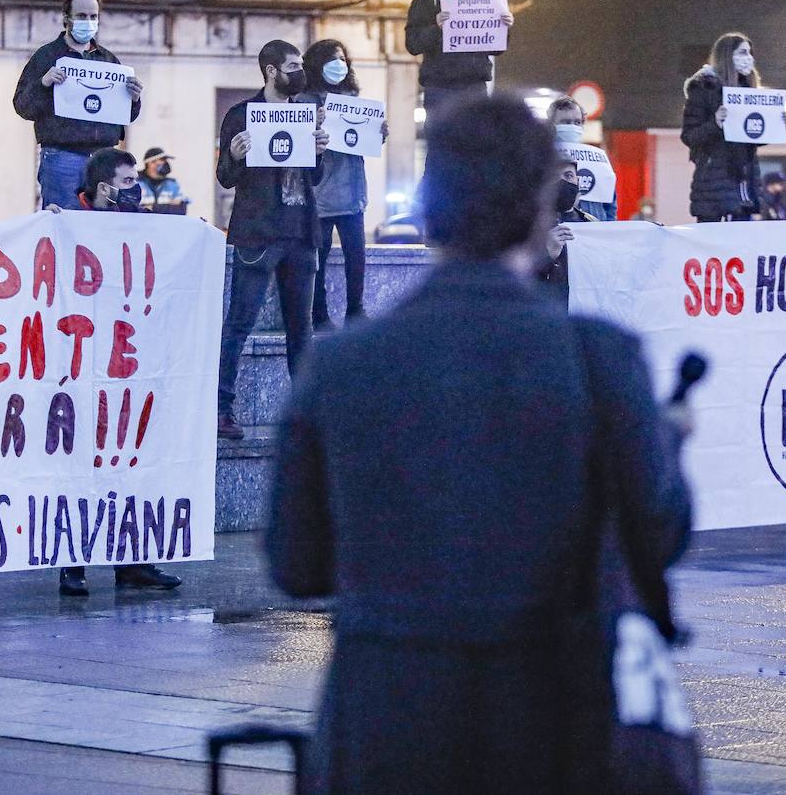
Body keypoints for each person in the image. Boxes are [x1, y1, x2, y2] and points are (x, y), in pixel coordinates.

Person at [266, 95, 694, 793]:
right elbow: (661, 537)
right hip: (552, 716)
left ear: (431, 210)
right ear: (540, 206)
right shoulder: (599, 359)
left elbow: (297, 565)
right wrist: (666, 446)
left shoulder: (342, 363)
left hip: (382, 722)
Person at [46, 147, 182, 596]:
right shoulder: (64, 221)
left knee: (133, 462)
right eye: (127, 182)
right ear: (103, 187)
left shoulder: (140, 223)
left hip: (129, 366)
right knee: (78, 464)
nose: (134, 189)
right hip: (81, 366)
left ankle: (134, 563)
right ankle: (72, 564)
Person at [216, 40, 329, 440]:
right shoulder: (242, 115)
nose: (300, 71)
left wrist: (318, 150)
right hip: (259, 232)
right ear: (270, 71)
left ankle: (306, 415)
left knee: (301, 329)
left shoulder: (305, 113)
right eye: (293, 65)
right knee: (239, 324)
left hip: (301, 231)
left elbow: (314, 178)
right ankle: (221, 411)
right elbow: (225, 177)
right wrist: (233, 152)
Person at [13, 0, 143, 210]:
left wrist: (134, 98)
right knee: (62, 225)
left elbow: (125, 116)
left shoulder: (109, 60)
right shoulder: (46, 57)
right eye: (82, 16)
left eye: (93, 16)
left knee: (103, 227)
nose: (88, 21)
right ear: (67, 18)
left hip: (104, 160)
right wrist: (43, 84)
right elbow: (22, 106)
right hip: (62, 156)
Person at [299, 39, 387, 329]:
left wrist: (377, 133)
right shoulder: (303, 101)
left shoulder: (353, 98)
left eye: (342, 59)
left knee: (356, 256)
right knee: (319, 259)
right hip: (320, 193)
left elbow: (360, 140)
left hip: (352, 193)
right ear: (316, 64)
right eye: (331, 60)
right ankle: (319, 314)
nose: (339, 65)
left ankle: (355, 310)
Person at [404, 0, 513, 116]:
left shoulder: (484, 0)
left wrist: (504, 27)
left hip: (475, 87)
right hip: (440, 89)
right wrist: (435, 27)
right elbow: (412, 44)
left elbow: (497, 48)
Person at [682, 33, 763, 223]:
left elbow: (753, 138)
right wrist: (715, 124)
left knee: (741, 247)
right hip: (713, 184)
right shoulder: (703, 88)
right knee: (710, 247)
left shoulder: (748, 89)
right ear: (727, 55)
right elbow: (689, 136)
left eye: (750, 53)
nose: (749, 58)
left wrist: (773, 123)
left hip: (743, 183)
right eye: (743, 52)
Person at [550, 95, 615, 222]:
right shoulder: (541, 158)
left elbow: (610, 208)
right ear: (552, 125)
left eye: (577, 122)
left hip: (593, 232)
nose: (572, 126)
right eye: (565, 122)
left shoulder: (599, 159)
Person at [541, 159, 598, 305]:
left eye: (568, 176)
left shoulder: (591, 224)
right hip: (548, 308)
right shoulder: (530, 225)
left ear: (578, 182)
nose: (562, 182)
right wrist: (547, 255)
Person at [137, 147, 187, 214]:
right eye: (162, 159)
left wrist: (152, 207)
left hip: (165, 224)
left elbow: (181, 210)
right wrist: (168, 206)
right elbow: (133, 209)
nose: (166, 163)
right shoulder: (135, 183)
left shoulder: (172, 184)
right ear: (150, 163)